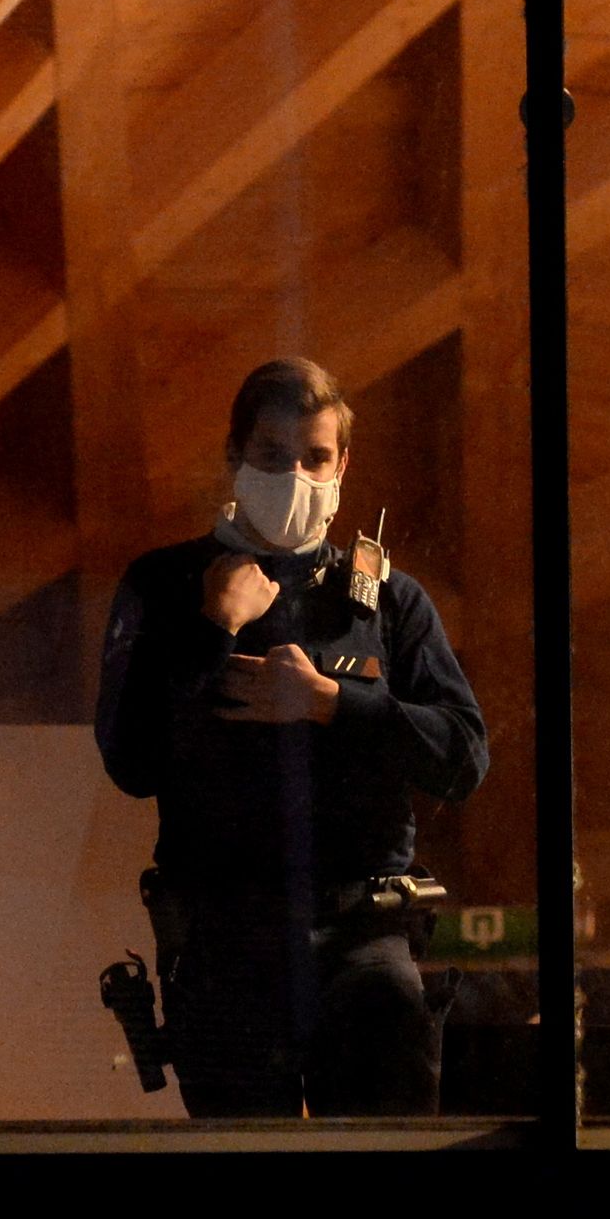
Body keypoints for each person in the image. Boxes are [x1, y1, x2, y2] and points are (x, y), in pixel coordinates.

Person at [94, 357, 488, 1116]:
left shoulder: (387, 599)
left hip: (363, 938)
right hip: (224, 941)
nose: (297, 475)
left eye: (315, 457)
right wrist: (215, 629)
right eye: (273, 457)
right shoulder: (166, 585)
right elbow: (131, 761)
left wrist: (333, 703)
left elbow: (465, 757)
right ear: (233, 457)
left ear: (344, 463)